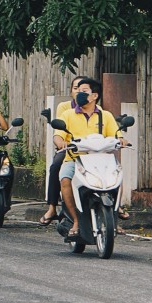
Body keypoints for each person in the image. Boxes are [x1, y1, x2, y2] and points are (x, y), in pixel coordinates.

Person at [45, 77, 119, 236]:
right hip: (74, 159)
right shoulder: (68, 114)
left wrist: (122, 140)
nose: (79, 93)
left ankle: (114, 216)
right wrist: (60, 142)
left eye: (84, 91)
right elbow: (58, 135)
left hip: (100, 161)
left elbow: (117, 134)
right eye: (77, 90)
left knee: (118, 178)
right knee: (65, 179)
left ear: (95, 96)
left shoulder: (105, 116)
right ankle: (76, 221)